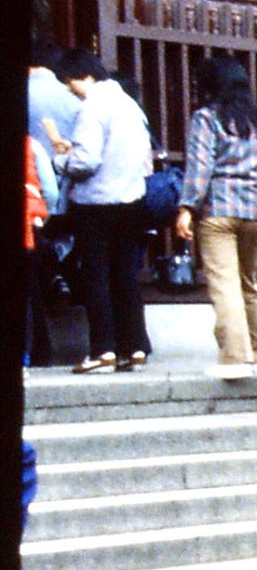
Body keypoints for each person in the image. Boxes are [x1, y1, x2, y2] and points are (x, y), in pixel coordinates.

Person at [49, 50, 154, 374]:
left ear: (86, 76)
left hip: (96, 204)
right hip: (132, 198)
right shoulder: (130, 106)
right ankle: (134, 346)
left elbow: (86, 162)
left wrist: (60, 159)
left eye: (70, 82)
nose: (70, 89)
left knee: (97, 278)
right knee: (126, 276)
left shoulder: (91, 108)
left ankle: (103, 350)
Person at [174, 57, 257, 380]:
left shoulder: (207, 118)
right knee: (249, 282)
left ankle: (234, 358)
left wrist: (187, 208)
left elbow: (200, 167)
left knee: (224, 284)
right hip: (255, 212)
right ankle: (256, 353)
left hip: (218, 209)